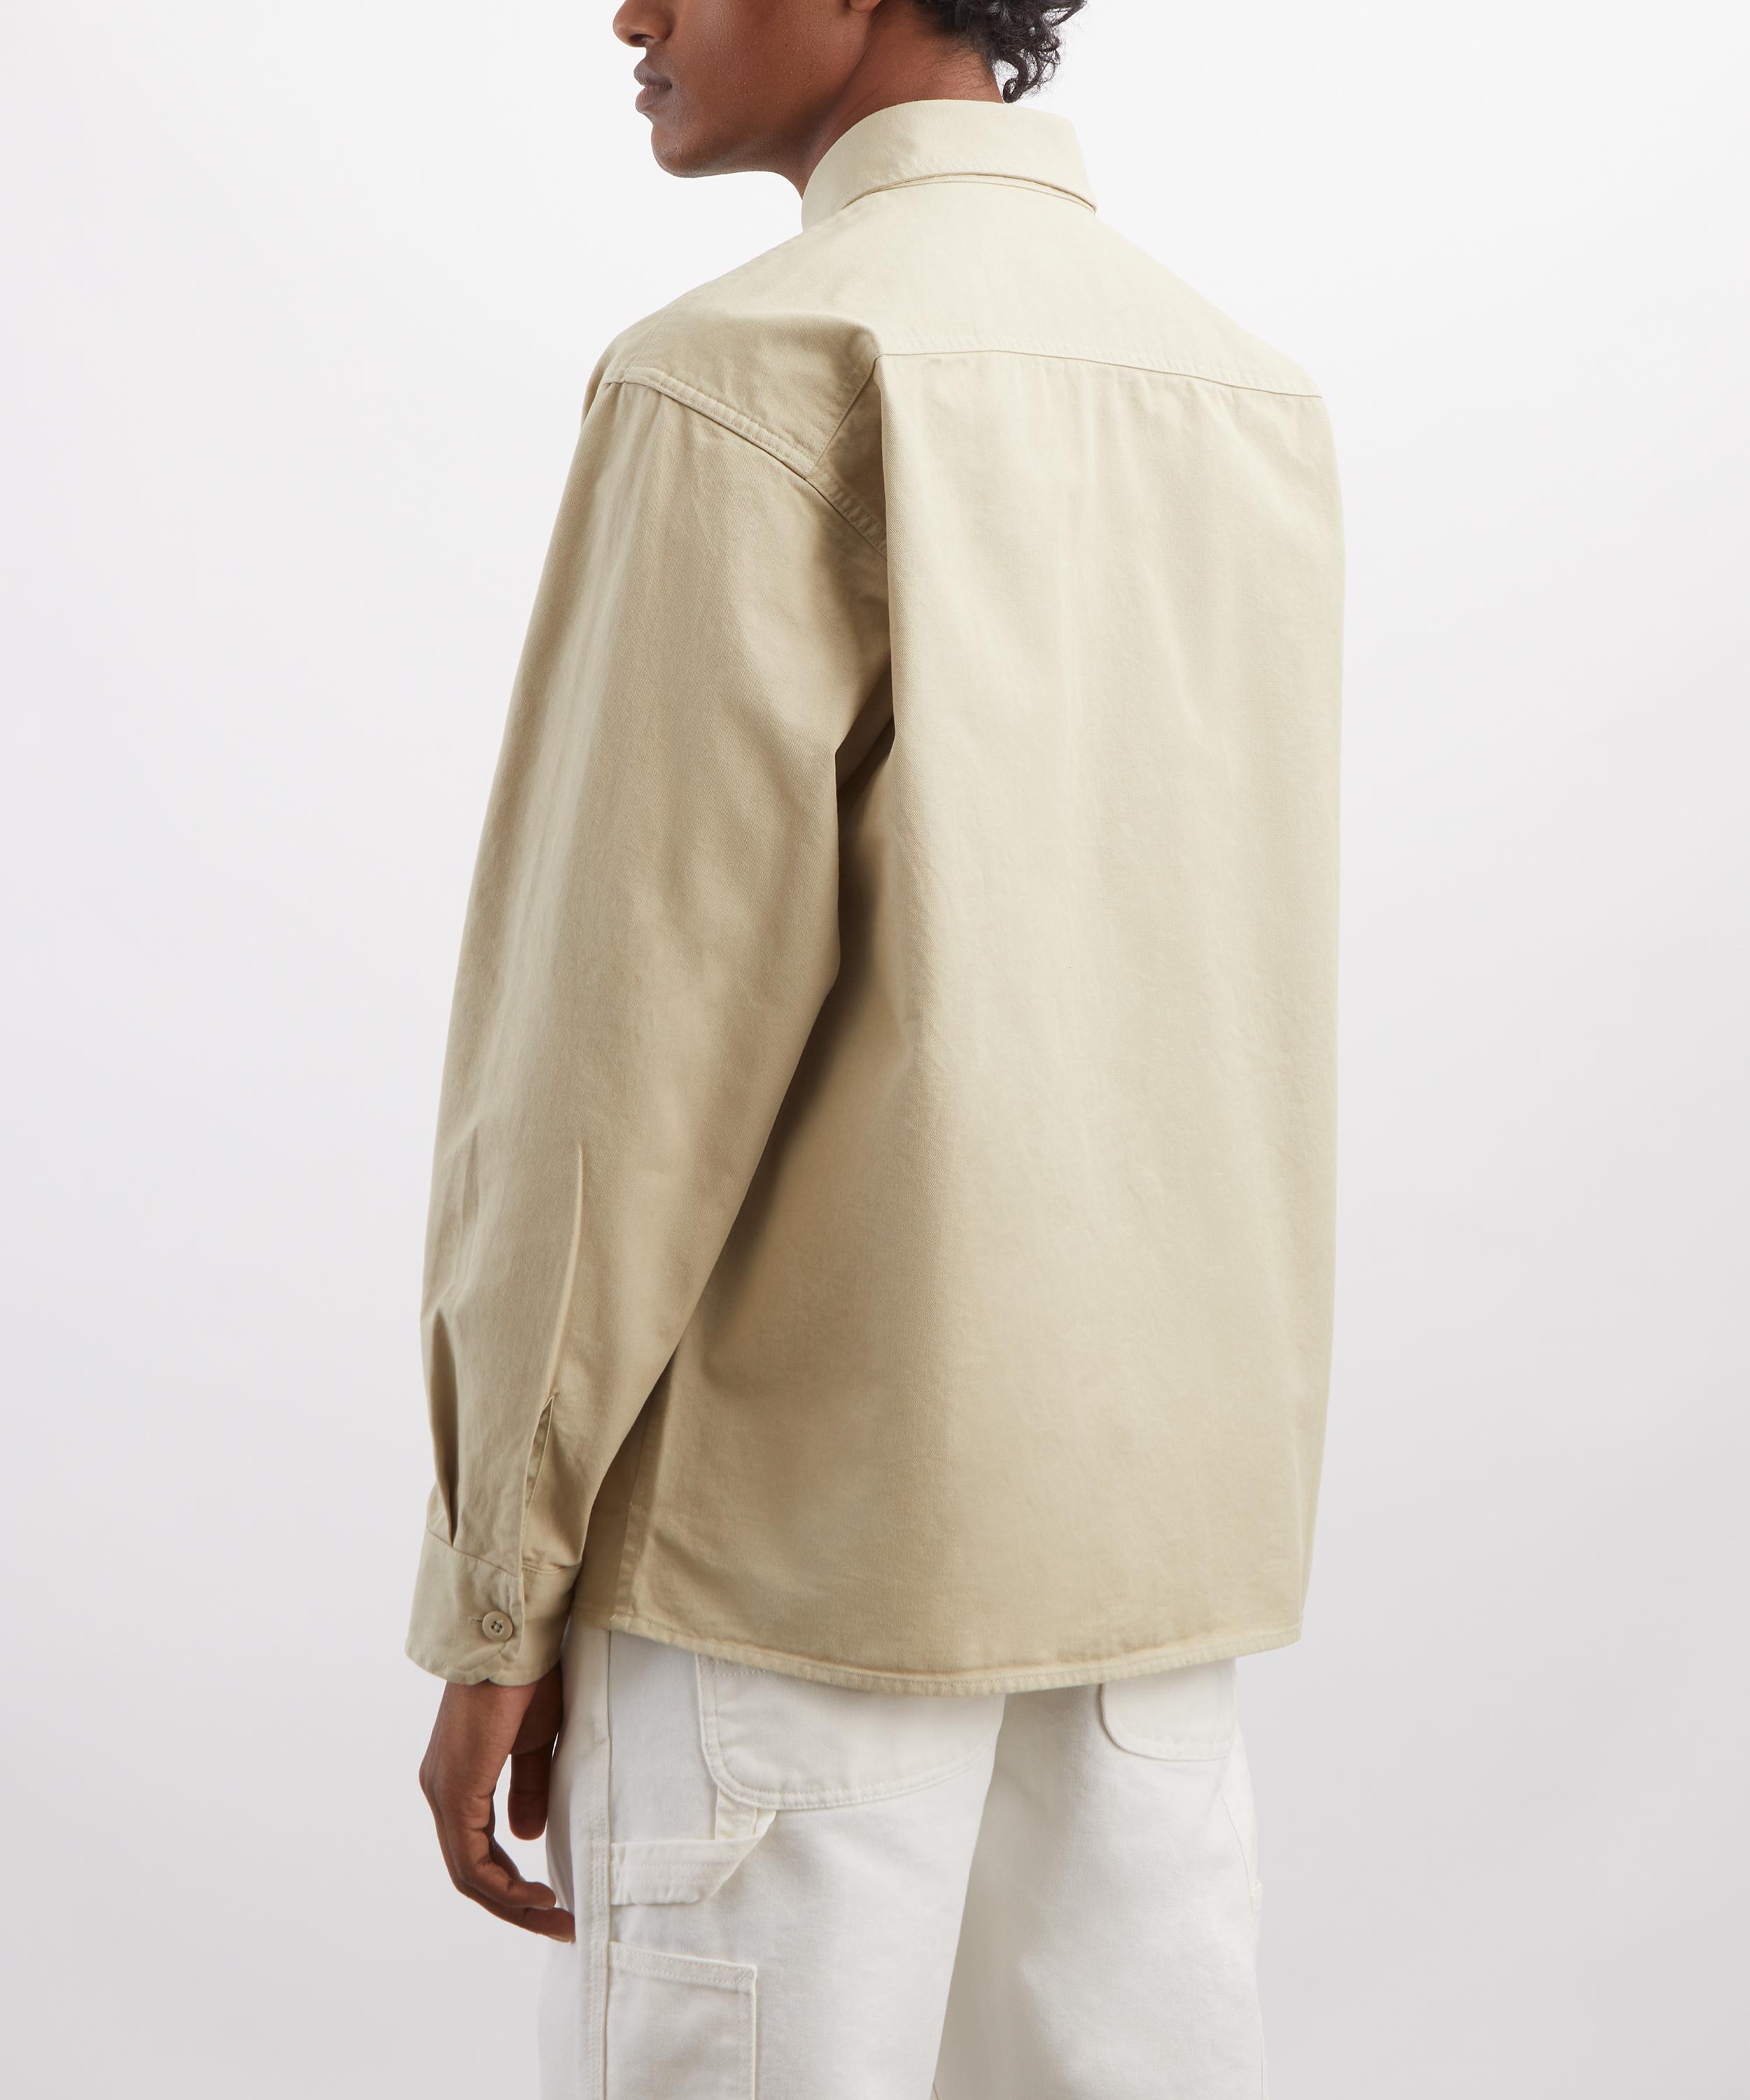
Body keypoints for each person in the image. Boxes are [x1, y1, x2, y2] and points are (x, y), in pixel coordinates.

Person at [408, 1, 1343, 2092]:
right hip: (1150, 1605)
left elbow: (615, 1066)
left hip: (783, 1590)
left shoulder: (748, 372)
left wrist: (496, 1589)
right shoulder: (1238, 389)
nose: (629, 12)